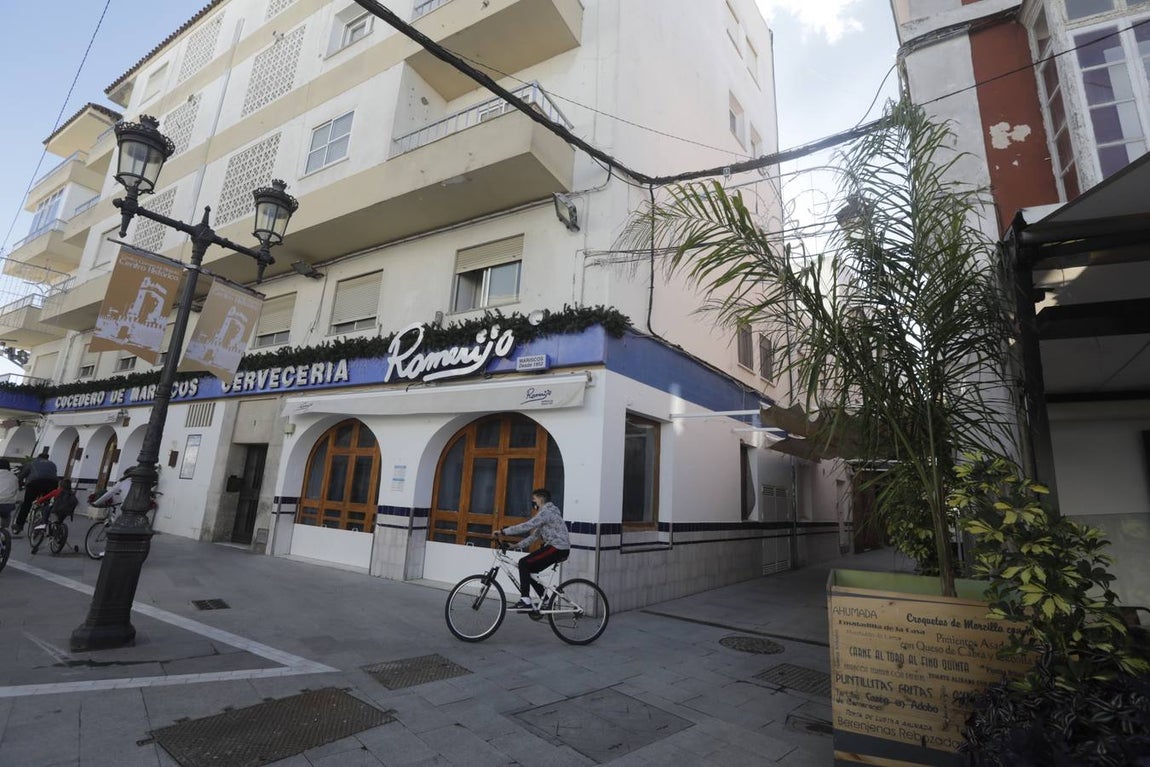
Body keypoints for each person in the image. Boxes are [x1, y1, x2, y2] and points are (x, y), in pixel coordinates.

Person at [497, 488, 570, 611]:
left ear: (540, 499)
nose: (533, 503)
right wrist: (515, 546)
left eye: (534, 500)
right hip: (556, 548)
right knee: (528, 570)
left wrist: (503, 531)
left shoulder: (546, 512)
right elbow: (533, 537)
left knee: (523, 563)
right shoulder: (546, 514)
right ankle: (546, 601)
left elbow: (527, 525)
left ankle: (525, 600)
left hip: (557, 547)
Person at [13, 449, 57, 536]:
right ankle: (43, 523)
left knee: (27, 504)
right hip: (52, 484)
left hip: (35, 483)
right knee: (46, 504)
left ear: (38, 457)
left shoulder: (32, 463)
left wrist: (20, 484)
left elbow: (21, 476)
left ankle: (19, 525)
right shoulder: (52, 464)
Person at [0, 458, 21, 531]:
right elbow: (16, 490)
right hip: (8, 504)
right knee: (6, 516)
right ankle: (4, 531)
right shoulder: (14, 477)